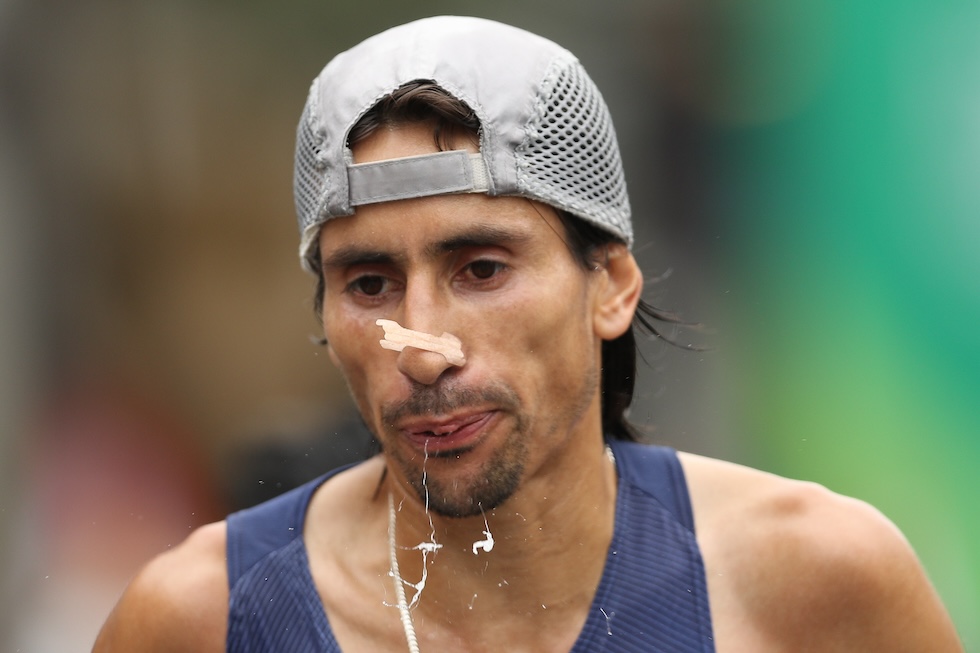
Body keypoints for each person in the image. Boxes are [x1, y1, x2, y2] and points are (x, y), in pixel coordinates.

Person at [93, 16, 963, 653]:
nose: (424, 346)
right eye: (369, 283)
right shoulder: (203, 618)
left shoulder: (809, 586)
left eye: (481, 269)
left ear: (611, 286)